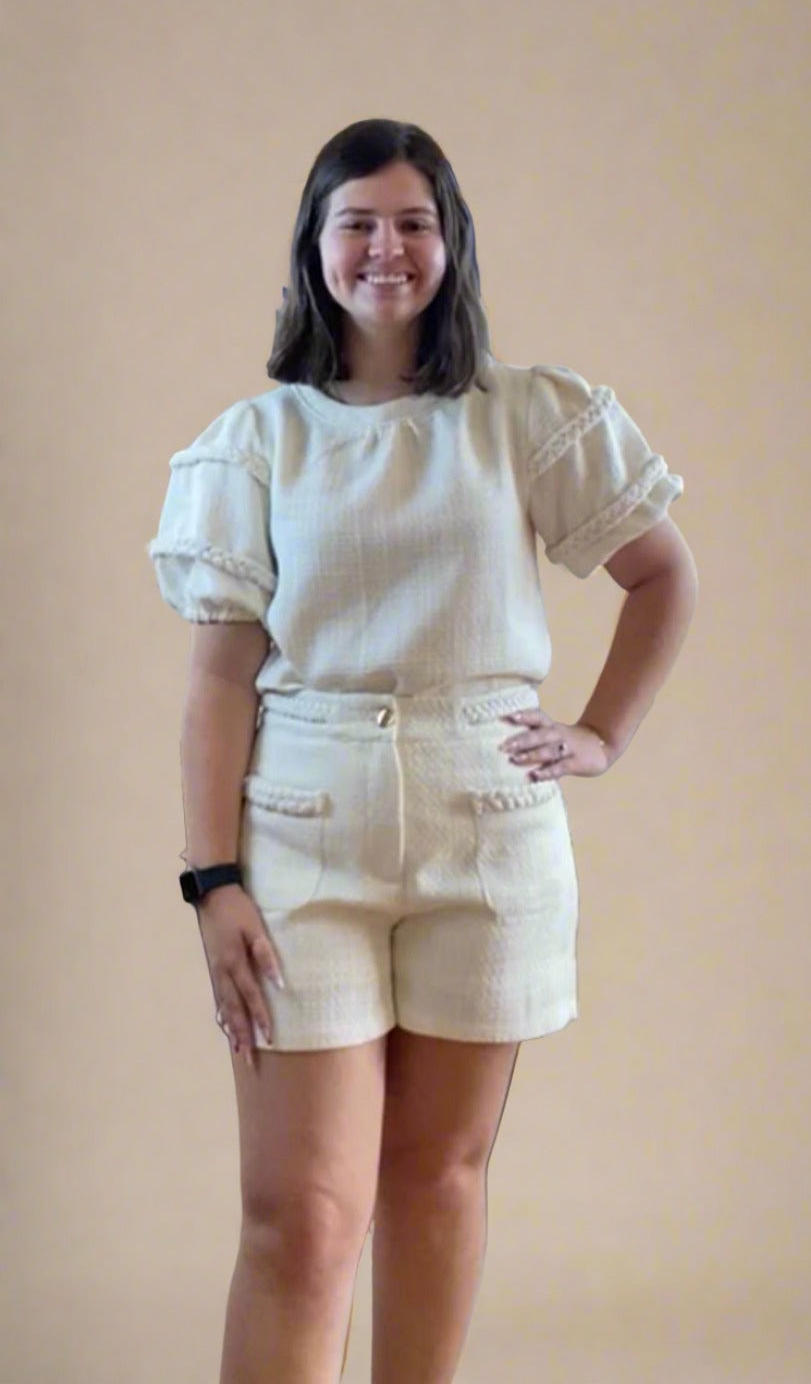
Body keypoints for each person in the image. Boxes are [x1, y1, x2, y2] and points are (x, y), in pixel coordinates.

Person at [147, 117, 698, 1384]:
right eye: (356, 222)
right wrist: (211, 878)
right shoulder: (259, 439)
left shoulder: (526, 416)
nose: (384, 249)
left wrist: (600, 734)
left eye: (412, 222)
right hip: (299, 833)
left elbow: (661, 575)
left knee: (439, 1179)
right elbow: (217, 678)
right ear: (314, 247)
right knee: (302, 1217)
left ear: (451, 244)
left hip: (486, 830)